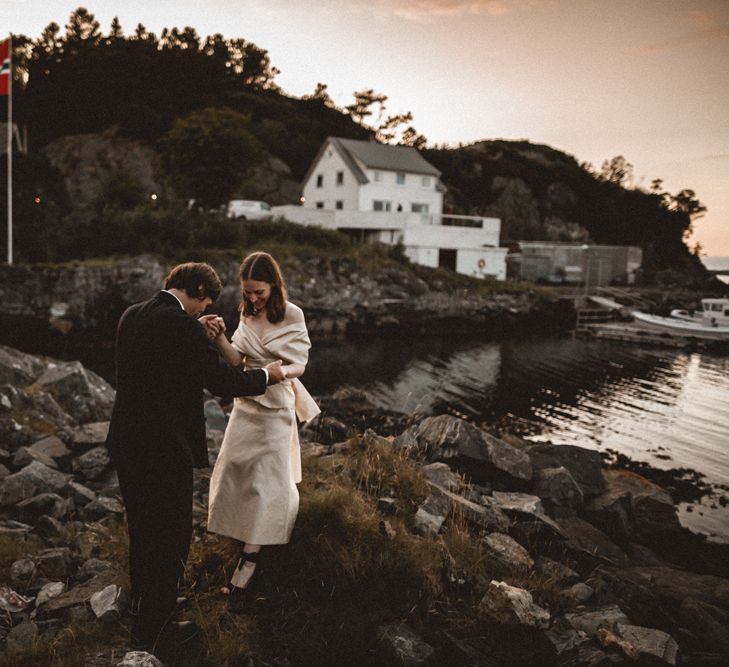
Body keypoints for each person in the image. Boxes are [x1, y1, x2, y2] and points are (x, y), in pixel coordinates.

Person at [105, 262, 285, 651]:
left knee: (143, 531)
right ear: (199, 288)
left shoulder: (133, 315)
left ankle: (145, 608)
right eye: (204, 304)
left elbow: (152, 365)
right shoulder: (182, 326)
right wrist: (267, 376)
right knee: (171, 537)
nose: (203, 312)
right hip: (163, 448)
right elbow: (224, 380)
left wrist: (195, 334)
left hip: (126, 441)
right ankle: (158, 629)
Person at [204, 251, 319, 603]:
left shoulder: (292, 314)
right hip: (247, 403)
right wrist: (218, 337)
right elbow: (238, 360)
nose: (253, 298)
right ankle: (239, 530)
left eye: (259, 292)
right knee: (235, 470)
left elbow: (300, 363)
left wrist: (280, 372)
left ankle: (250, 559)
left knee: (267, 480)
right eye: (248, 292)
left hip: (274, 406)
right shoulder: (246, 312)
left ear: (274, 285)